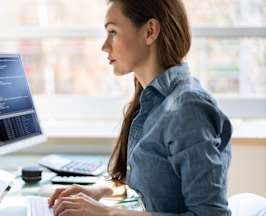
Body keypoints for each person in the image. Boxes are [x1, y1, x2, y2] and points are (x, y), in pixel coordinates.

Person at [48, 0, 232, 215]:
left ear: (150, 31)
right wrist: (98, 192)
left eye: (113, 32)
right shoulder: (153, 102)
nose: (105, 46)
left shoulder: (188, 109)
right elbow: (156, 186)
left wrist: (108, 213)